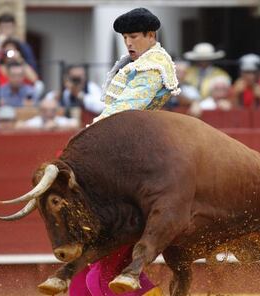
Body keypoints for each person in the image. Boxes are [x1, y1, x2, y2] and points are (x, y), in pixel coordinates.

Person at [75, 7, 178, 296]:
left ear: (151, 35)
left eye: (134, 36)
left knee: (101, 277)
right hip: (119, 151)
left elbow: (126, 106)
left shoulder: (153, 66)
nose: (129, 43)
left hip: (131, 162)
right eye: (124, 38)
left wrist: (87, 136)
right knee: (87, 277)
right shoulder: (135, 62)